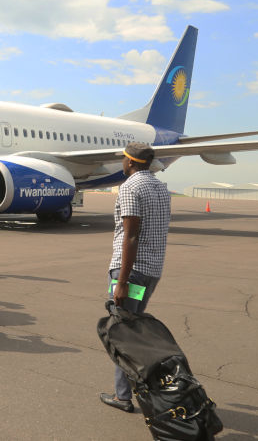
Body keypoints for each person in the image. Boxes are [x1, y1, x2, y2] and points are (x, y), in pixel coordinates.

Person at [99, 142, 172, 413]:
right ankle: (135, 389)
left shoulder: (130, 187)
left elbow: (131, 235)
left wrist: (122, 282)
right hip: (152, 271)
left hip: (131, 273)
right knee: (132, 330)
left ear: (129, 162)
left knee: (122, 333)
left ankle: (123, 396)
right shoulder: (160, 187)